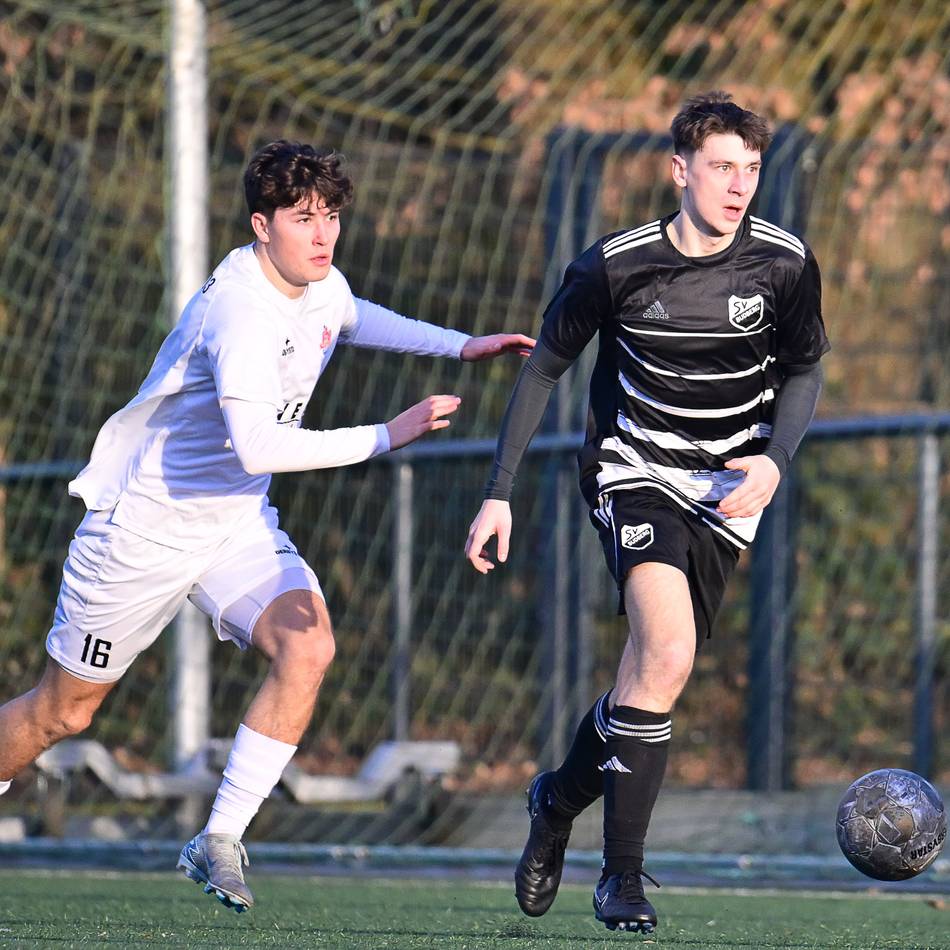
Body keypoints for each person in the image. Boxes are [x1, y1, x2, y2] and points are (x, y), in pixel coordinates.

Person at [0, 140, 534, 912]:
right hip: (143, 531)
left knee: (308, 645)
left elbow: (351, 316)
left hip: (235, 526)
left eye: (332, 217)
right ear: (261, 225)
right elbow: (258, 446)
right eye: (302, 219)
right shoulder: (240, 311)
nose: (322, 235)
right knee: (63, 711)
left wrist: (459, 345)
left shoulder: (318, 282)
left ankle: (217, 838)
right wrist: (389, 434)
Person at [464, 91, 828, 933]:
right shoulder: (615, 266)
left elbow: (806, 371)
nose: (739, 185)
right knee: (665, 651)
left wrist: (775, 463)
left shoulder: (784, 262)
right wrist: (498, 492)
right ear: (679, 171)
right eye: (721, 167)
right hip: (635, 472)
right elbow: (544, 370)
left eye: (751, 169)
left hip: (728, 492)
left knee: (647, 683)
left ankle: (555, 804)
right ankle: (620, 880)